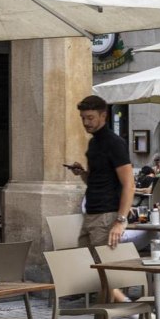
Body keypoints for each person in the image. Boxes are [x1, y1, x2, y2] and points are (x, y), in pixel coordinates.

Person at [64, 95, 135, 250]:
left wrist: (120, 221)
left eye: (90, 117)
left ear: (103, 115)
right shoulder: (93, 142)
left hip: (107, 216)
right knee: (87, 266)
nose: (85, 122)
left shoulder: (115, 143)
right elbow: (96, 180)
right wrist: (82, 173)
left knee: (104, 268)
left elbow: (129, 185)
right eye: (82, 118)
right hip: (91, 214)